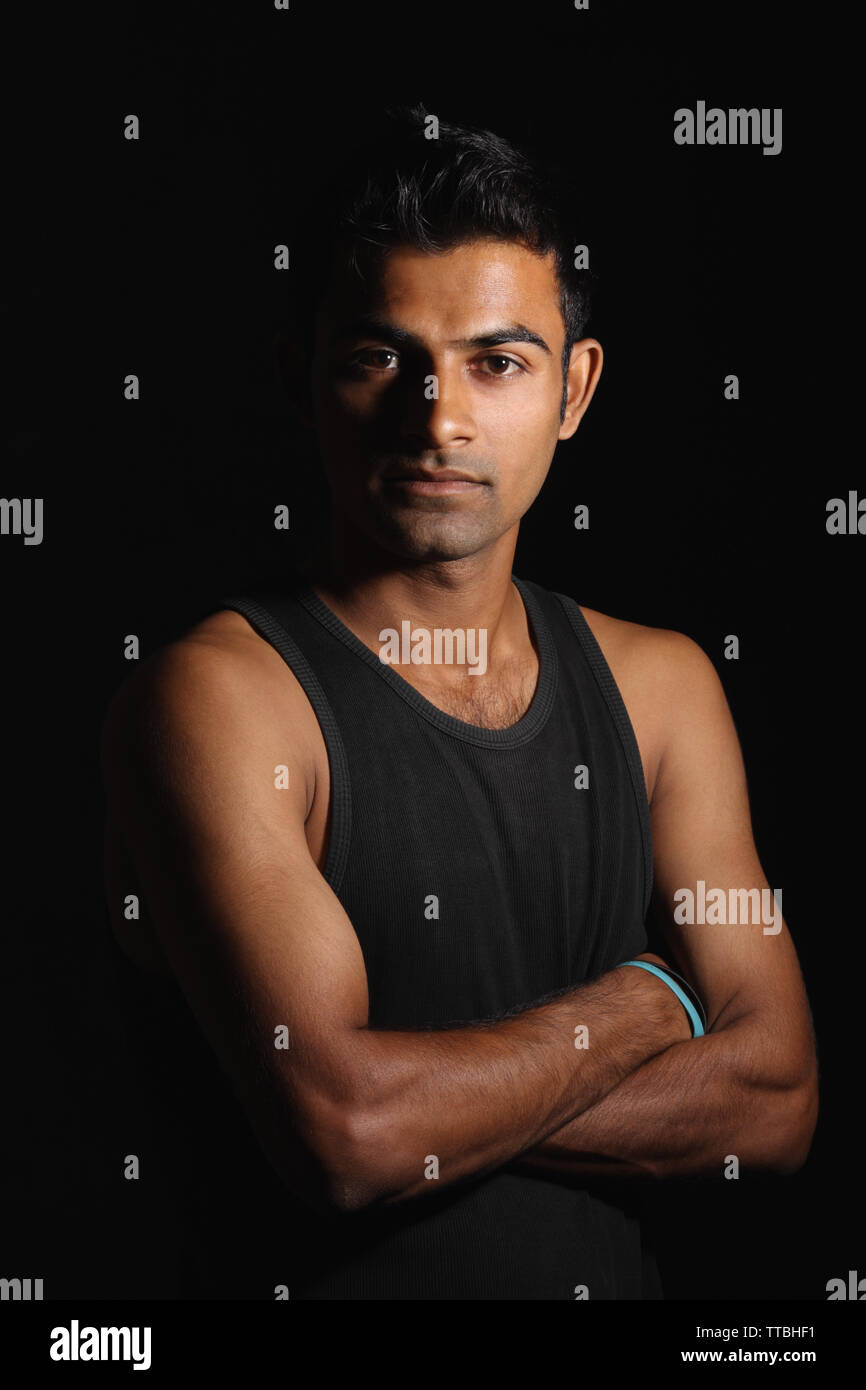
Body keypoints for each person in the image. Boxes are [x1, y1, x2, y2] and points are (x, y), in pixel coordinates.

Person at [100, 105, 818, 1300]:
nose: (437, 419)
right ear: (300, 377)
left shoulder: (659, 690)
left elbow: (781, 1100)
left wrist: (429, 1103)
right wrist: (651, 1002)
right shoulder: (221, 701)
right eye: (380, 356)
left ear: (573, 389)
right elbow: (343, 1135)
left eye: (496, 362)